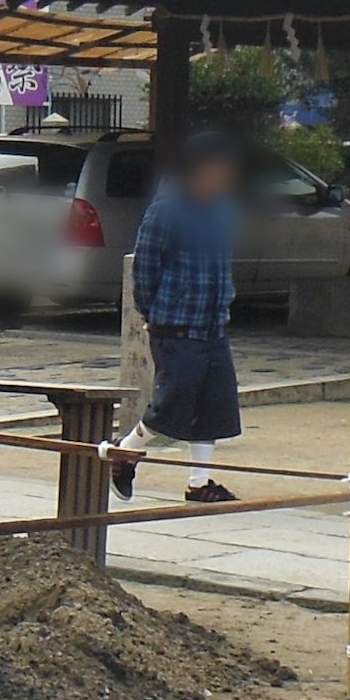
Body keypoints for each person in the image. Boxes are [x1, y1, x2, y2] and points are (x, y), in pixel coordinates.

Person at [112, 129, 249, 504]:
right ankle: (125, 451)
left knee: (215, 404)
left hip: (213, 323)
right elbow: (146, 265)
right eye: (215, 170)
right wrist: (150, 310)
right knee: (172, 403)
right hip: (175, 323)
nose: (221, 178)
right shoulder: (166, 209)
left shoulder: (224, 209)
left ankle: (199, 482)